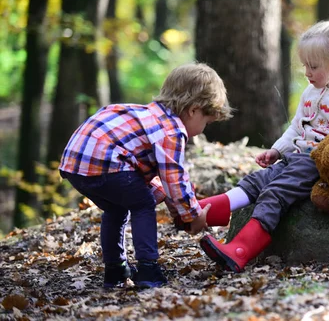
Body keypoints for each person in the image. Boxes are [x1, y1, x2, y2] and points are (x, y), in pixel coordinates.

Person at [197, 18, 329, 273]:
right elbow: (295, 127)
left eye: (313, 66)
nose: (307, 73)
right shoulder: (311, 92)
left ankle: (240, 250)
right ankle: (209, 210)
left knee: (274, 193)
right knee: (256, 181)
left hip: (317, 164)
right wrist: (277, 150)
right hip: (296, 157)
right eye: (304, 66)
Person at [59, 62, 232, 288]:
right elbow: (174, 177)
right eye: (206, 122)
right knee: (143, 204)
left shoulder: (145, 115)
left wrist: (174, 205)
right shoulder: (172, 130)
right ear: (193, 110)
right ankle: (148, 270)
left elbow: (143, 175)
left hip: (76, 164)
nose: (203, 129)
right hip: (104, 162)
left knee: (116, 207)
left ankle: (115, 270)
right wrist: (192, 214)